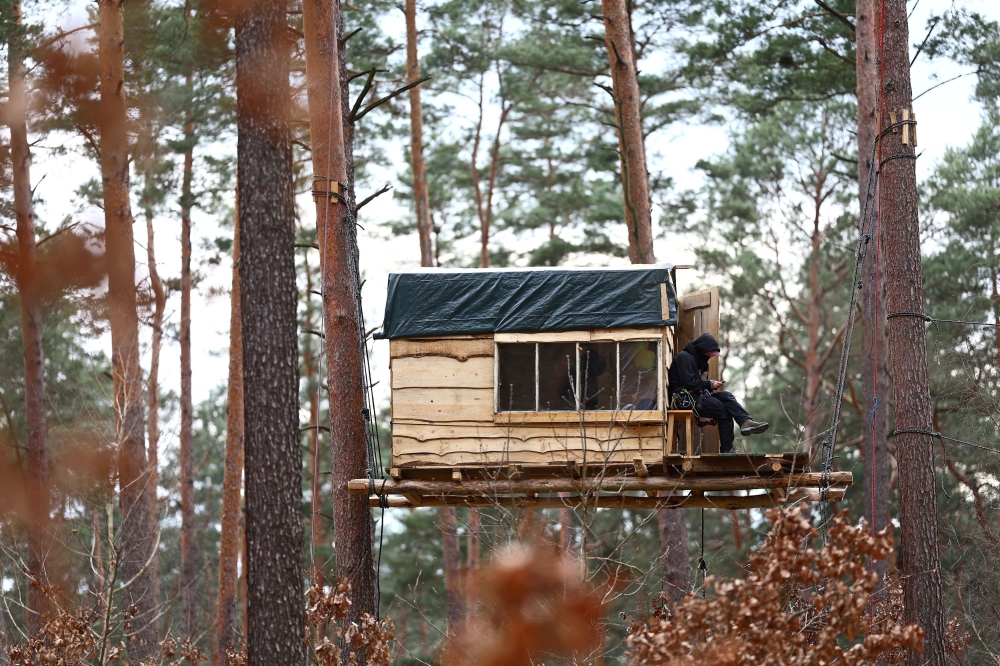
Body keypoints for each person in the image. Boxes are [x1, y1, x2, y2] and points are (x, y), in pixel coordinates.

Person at [667, 333, 768, 453]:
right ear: (702, 348)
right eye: (709, 353)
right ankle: (727, 449)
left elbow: (695, 384)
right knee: (722, 409)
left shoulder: (694, 360)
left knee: (727, 396)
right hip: (683, 400)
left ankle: (745, 422)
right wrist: (709, 384)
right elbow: (690, 383)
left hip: (695, 396)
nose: (710, 356)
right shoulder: (684, 358)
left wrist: (710, 386)